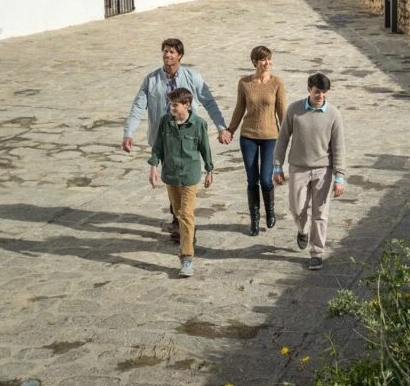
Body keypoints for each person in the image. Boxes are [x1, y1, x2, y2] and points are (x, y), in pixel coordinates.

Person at [123, 38, 230, 240]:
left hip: (188, 137)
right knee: (172, 179)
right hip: (164, 139)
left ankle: (185, 223)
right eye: (165, 51)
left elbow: (209, 102)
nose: (167, 55)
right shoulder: (152, 80)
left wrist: (221, 127)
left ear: (180, 55)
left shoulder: (193, 77)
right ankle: (177, 218)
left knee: (187, 180)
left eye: (172, 52)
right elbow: (138, 106)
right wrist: (129, 132)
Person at [273, 73, 346, 270]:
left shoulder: (333, 114)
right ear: (309, 89)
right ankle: (302, 230)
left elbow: (339, 147)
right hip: (298, 167)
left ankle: (317, 252)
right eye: (316, 92)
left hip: (324, 170)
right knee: (297, 208)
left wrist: (339, 176)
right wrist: (277, 166)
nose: (320, 95)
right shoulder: (294, 110)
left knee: (320, 213)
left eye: (323, 92)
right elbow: (282, 139)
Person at [147, 88, 213, 277]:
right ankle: (187, 235)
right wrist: (153, 167)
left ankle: (187, 258)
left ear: (187, 105)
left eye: (175, 105)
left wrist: (209, 170)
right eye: (170, 104)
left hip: (190, 176)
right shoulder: (165, 122)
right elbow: (158, 146)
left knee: (185, 215)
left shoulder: (199, 124)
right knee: (178, 213)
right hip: (171, 176)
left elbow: (205, 148)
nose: (171, 108)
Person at [225, 45, 286, 236]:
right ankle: (254, 220)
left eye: (269, 59)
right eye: (263, 60)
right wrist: (230, 130)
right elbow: (239, 109)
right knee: (252, 180)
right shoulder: (244, 83)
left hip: (271, 137)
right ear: (254, 62)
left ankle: (270, 211)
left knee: (266, 180)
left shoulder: (277, 83)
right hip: (248, 136)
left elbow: (282, 112)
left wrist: (287, 136)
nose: (267, 63)